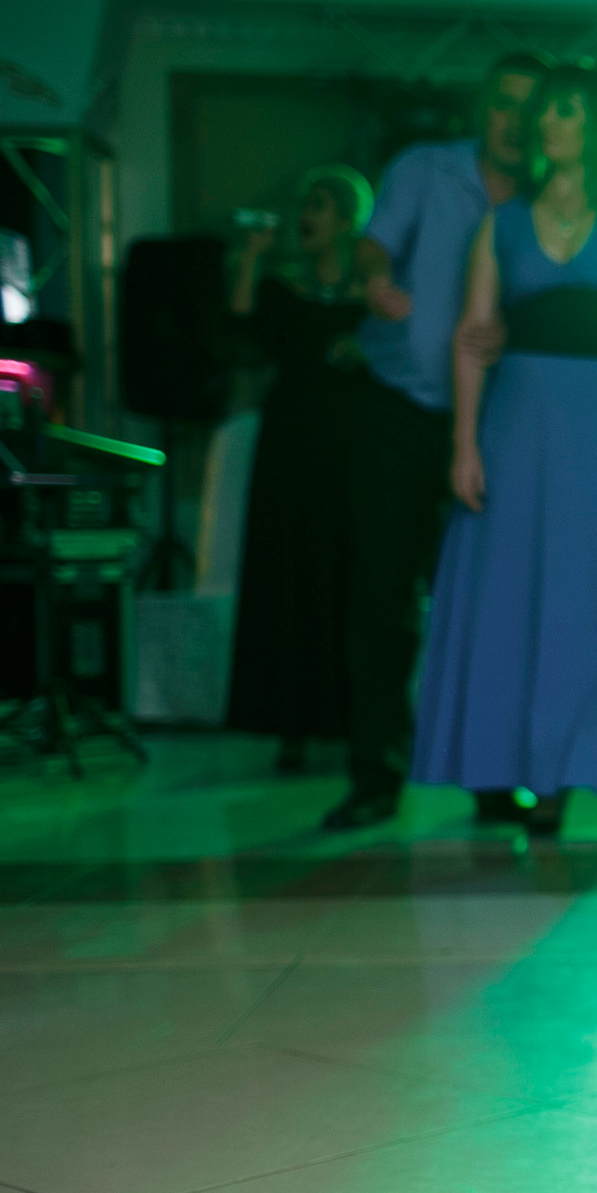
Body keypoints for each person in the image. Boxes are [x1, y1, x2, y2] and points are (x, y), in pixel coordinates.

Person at [411, 62, 597, 835]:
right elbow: (471, 339)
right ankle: (549, 772)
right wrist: (464, 442)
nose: (549, 122)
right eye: (545, 110)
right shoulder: (500, 223)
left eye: (566, 110)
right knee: (533, 603)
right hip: (519, 427)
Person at [332, 51, 546, 830]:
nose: (515, 122)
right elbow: (373, 244)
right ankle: (373, 775)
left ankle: (492, 779)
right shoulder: (424, 168)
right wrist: (373, 277)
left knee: (488, 605)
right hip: (395, 413)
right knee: (384, 599)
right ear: (481, 110)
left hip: (496, 429)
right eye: (504, 104)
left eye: (532, 108)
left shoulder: (547, 201)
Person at [223, 165, 376, 772]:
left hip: (349, 452)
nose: (303, 217)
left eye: (316, 205)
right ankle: (288, 726)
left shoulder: (372, 296)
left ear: (344, 218)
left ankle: (354, 721)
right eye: (302, 206)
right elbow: (241, 340)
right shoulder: (284, 289)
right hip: (289, 451)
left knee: (350, 578)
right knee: (288, 578)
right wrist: (248, 262)